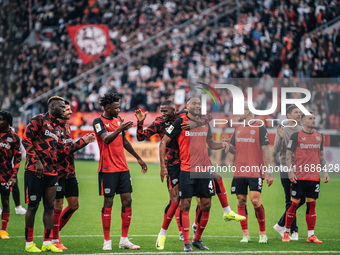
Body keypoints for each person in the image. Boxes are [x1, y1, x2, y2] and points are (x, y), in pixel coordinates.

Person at [135, 100, 244, 251]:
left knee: (207, 196)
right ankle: (164, 234)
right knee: (176, 201)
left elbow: (208, 120)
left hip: (196, 164)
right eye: (162, 111)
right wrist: (140, 123)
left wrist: (198, 125)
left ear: (175, 109)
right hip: (174, 164)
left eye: (167, 111)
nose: (164, 114)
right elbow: (144, 137)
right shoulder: (165, 122)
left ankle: (203, 229)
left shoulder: (188, 117)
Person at [159, 97, 228, 252]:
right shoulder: (179, 122)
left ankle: (197, 240)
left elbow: (210, 144)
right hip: (186, 170)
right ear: (188, 106)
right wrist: (163, 167)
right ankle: (186, 243)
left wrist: (223, 144)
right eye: (194, 103)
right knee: (185, 205)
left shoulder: (205, 123)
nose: (197, 105)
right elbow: (163, 142)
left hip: (204, 171)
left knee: (206, 205)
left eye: (199, 103)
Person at [93, 92, 148, 251]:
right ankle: (107, 240)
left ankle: (124, 239)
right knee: (108, 202)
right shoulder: (98, 121)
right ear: (107, 107)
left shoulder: (118, 120)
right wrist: (119, 128)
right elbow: (106, 139)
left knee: (128, 201)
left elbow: (123, 141)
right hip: (107, 168)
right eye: (116, 107)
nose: (119, 109)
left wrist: (138, 158)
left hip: (122, 168)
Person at [22, 96, 66, 252]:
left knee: (49, 206)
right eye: (62, 107)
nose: (64, 109)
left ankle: (47, 242)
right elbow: (26, 139)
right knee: (33, 206)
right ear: (53, 107)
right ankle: (29, 244)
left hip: (52, 172)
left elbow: (62, 149)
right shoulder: (38, 120)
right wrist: (36, 161)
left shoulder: (59, 127)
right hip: (35, 170)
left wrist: (82, 142)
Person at [52, 101, 96, 250]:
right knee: (57, 205)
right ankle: (55, 238)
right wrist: (84, 141)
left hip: (70, 172)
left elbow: (69, 149)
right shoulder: (53, 128)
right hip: (57, 173)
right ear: (59, 111)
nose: (71, 112)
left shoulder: (67, 126)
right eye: (67, 110)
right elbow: (63, 150)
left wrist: (82, 142)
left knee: (74, 205)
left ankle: (55, 232)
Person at [227, 104, 273, 244]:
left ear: (247, 111)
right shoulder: (238, 129)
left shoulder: (260, 128)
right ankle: (245, 234)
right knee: (241, 200)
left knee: (255, 201)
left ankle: (262, 233)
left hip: (255, 170)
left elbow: (266, 150)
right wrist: (228, 147)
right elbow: (235, 150)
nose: (237, 115)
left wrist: (269, 171)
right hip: (239, 170)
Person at [282, 112, 329, 243]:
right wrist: (290, 171)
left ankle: (311, 235)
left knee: (312, 205)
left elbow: (322, 155)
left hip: (314, 177)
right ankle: (286, 232)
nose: (313, 120)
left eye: (314, 118)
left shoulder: (319, 137)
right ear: (303, 121)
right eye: (310, 118)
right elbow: (289, 155)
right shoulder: (296, 136)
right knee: (294, 204)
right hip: (300, 176)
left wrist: (325, 171)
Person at [273, 105, 305, 240]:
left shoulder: (303, 131)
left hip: (300, 169)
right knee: (290, 200)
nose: (299, 114)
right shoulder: (283, 130)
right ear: (288, 115)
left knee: (300, 199)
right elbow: (276, 149)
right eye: (295, 112)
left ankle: (281, 224)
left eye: (299, 112)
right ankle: (294, 231)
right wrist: (280, 137)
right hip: (286, 168)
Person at [0, 111, 22, 239]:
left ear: (8, 122)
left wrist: (14, 176)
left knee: (6, 202)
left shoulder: (14, 137)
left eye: (1, 120)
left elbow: (18, 158)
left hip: (5, 175)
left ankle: (3, 231)